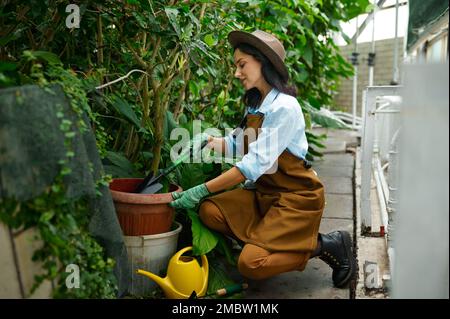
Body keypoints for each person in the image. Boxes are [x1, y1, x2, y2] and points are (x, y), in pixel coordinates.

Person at [169, 30, 357, 288]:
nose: (237, 73)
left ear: (263, 62)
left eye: (242, 65)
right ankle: (269, 242)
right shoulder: (257, 103)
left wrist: (199, 190)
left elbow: (250, 166)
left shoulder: (285, 108)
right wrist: (208, 142)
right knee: (209, 211)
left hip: (295, 198)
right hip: (265, 193)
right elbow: (238, 144)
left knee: (250, 265)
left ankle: (326, 245)